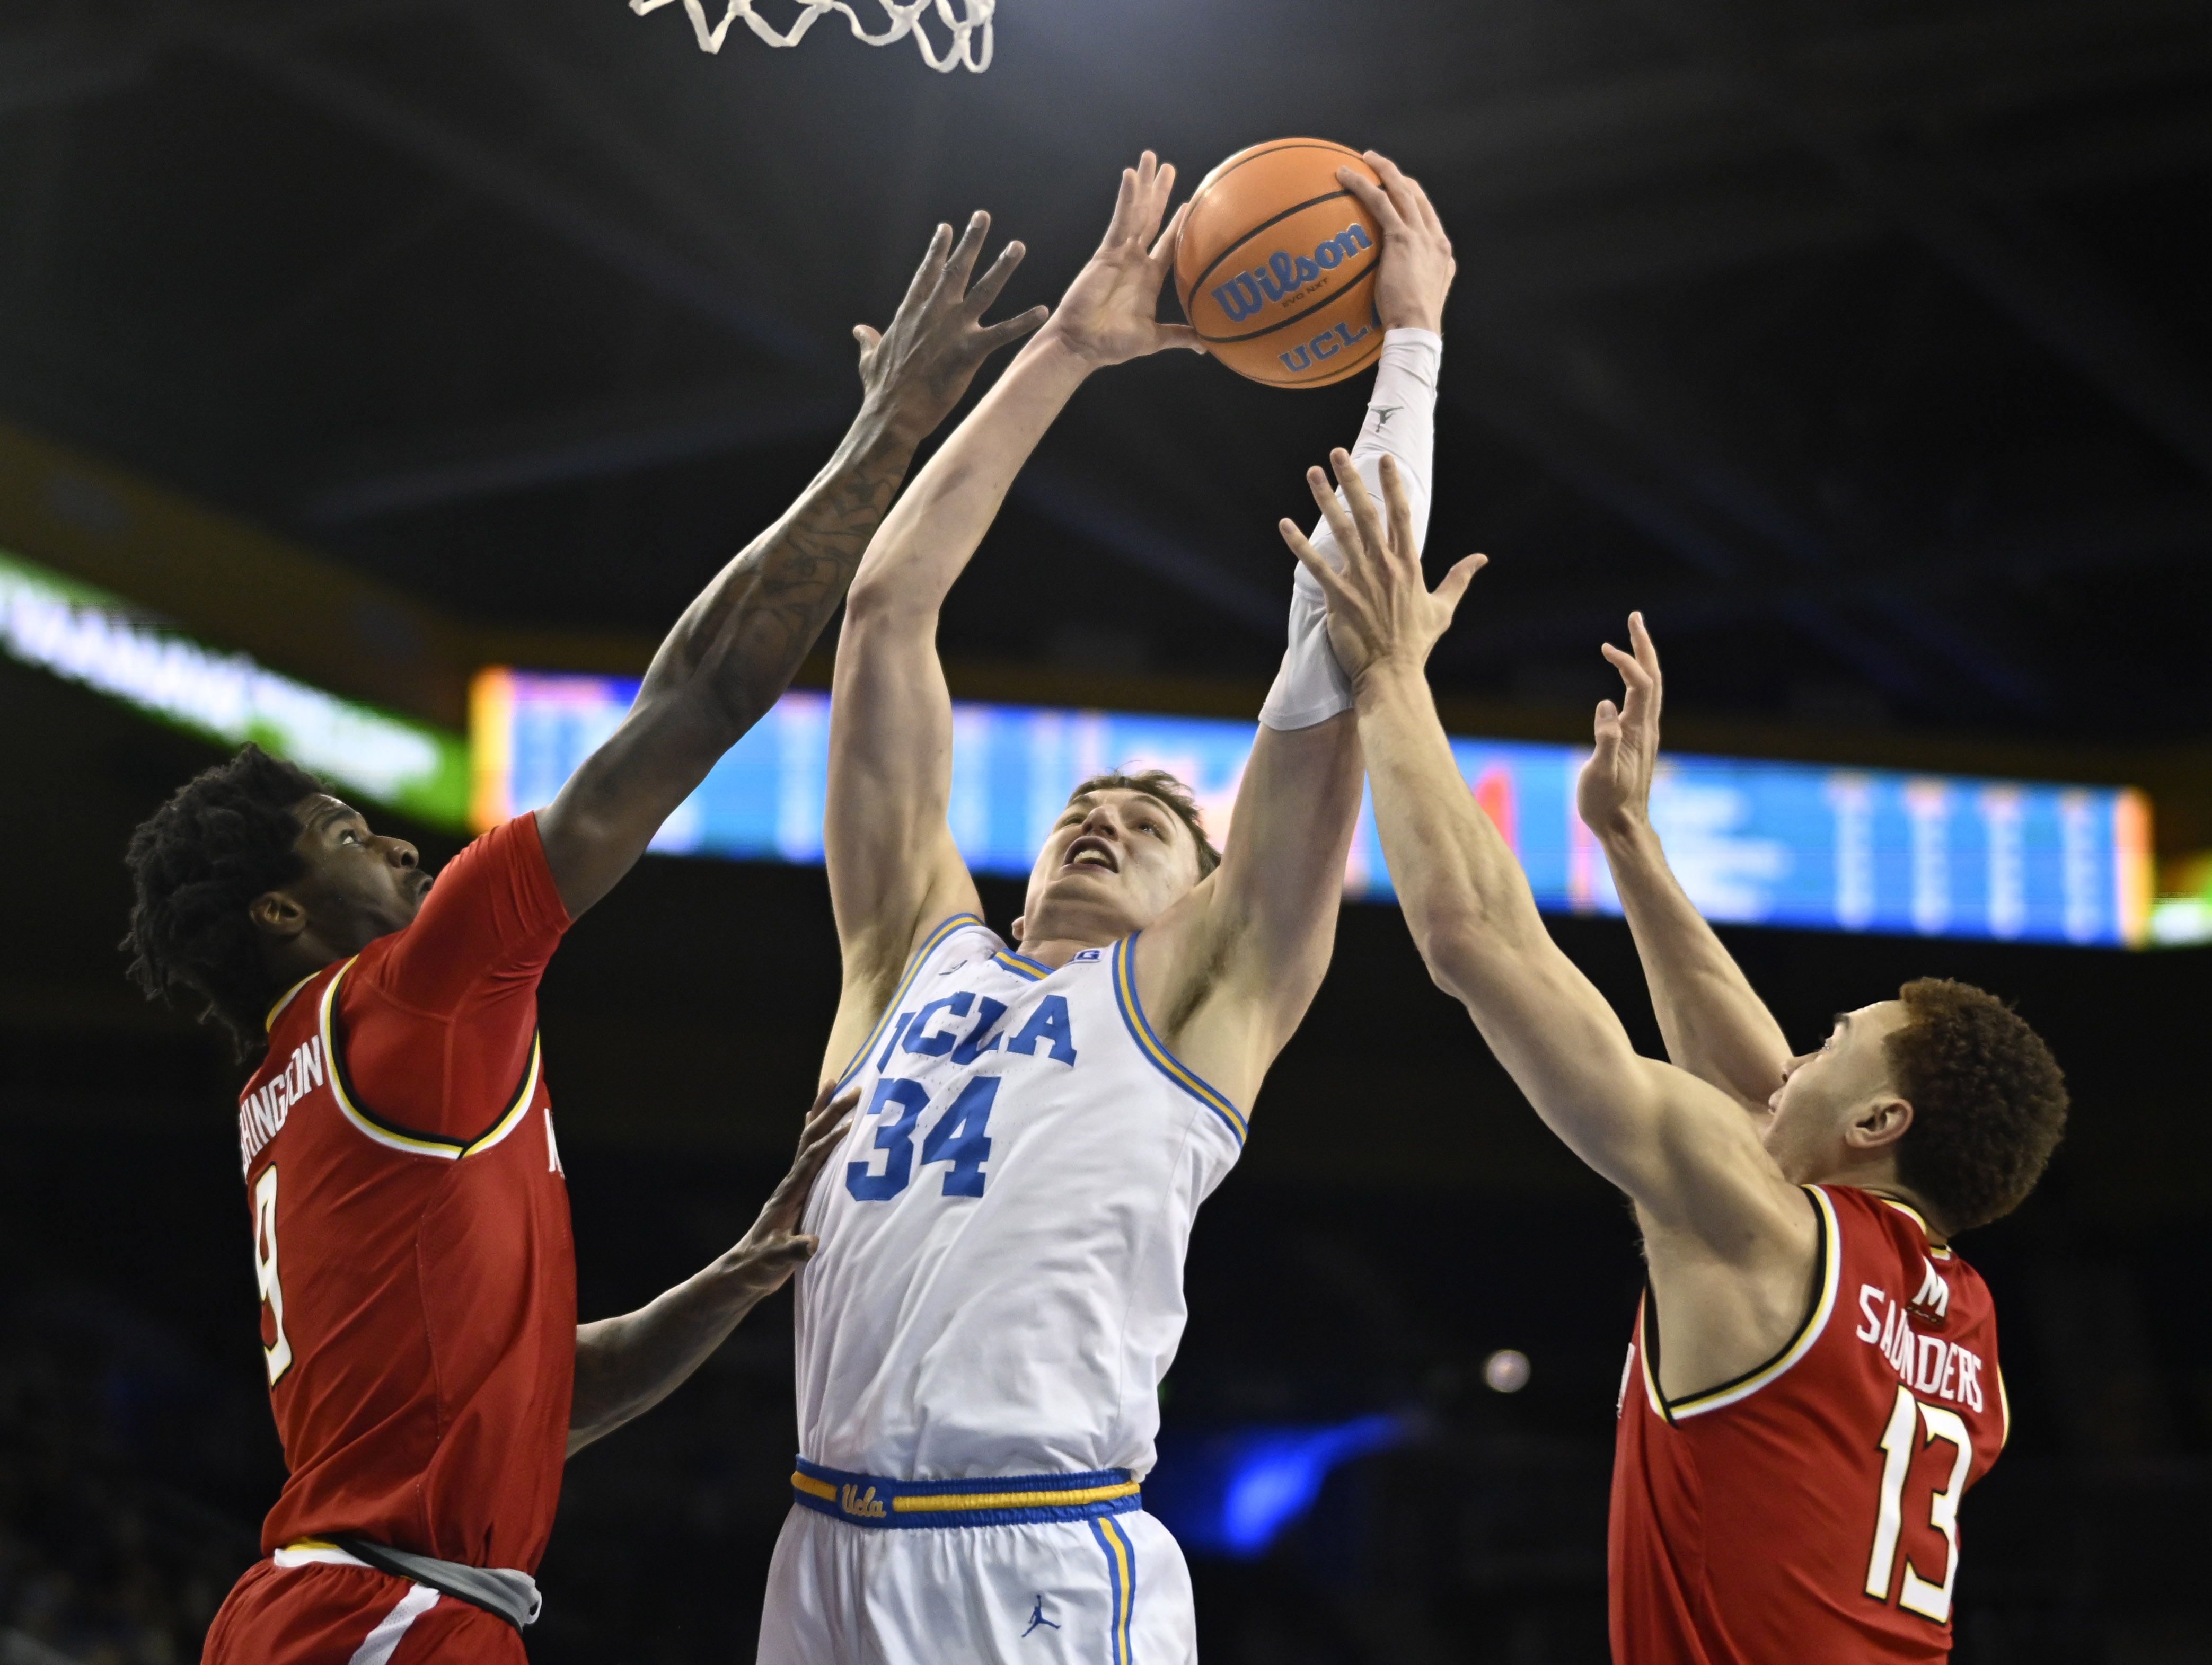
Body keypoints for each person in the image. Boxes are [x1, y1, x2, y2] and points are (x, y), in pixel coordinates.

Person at [119, 214, 1047, 1664]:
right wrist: (885, 434)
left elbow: (537, 1400)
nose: (404, 843)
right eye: (352, 836)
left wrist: (731, 1272)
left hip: (346, 1601)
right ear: (284, 912)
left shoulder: (289, 1091)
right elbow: (706, 686)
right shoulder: (415, 989)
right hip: (384, 1614)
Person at [754, 150, 1456, 1664]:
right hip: (815, 1542)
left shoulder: (1204, 996)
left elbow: (1331, 653)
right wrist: (1067, 347)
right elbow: (884, 613)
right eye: (1086, 810)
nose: (1101, 818)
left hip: (1035, 1547)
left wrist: (1407, 350)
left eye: (1148, 827)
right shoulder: (902, 957)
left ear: (1202, 903)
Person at [1280, 462, 2071, 1662]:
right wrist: (1628, 845)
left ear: (1877, 1122)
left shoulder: (1760, 1230)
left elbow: (1474, 939)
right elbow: (1767, 1095)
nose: (1788, 1059)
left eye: (1827, 1042)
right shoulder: (1968, 1332)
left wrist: (1389, 671)